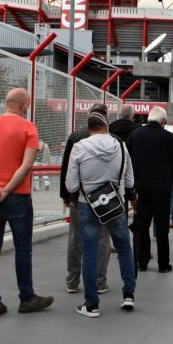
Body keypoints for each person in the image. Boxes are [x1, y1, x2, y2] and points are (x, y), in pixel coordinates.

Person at [0, 88, 53, 318]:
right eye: (27, 104)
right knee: (23, 248)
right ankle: (27, 298)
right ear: (22, 104)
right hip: (17, 195)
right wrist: (8, 189)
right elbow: (27, 165)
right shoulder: (27, 127)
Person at [65, 109, 138, 317]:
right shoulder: (121, 146)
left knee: (90, 251)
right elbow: (131, 181)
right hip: (115, 204)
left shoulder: (79, 147)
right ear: (106, 126)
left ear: (89, 130)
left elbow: (71, 185)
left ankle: (91, 305)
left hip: (87, 204)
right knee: (124, 247)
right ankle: (128, 295)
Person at [60, 104, 113, 294]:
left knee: (75, 238)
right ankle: (100, 282)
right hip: (104, 198)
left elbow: (66, 167)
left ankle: (72, 281)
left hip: (78, 197)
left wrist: (65, 194)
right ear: (105, 119)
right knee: (102, 239)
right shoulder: (112, 141)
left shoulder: (76, 137)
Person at [126, 106, 173, 273]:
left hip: (141, 188)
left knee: (142, 226)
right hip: (162, 188)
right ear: (163, 121)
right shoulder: (167, 136)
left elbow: (128, 155)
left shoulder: (135, 134)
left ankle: (142, 262)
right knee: (161, 227)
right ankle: (163, 264)